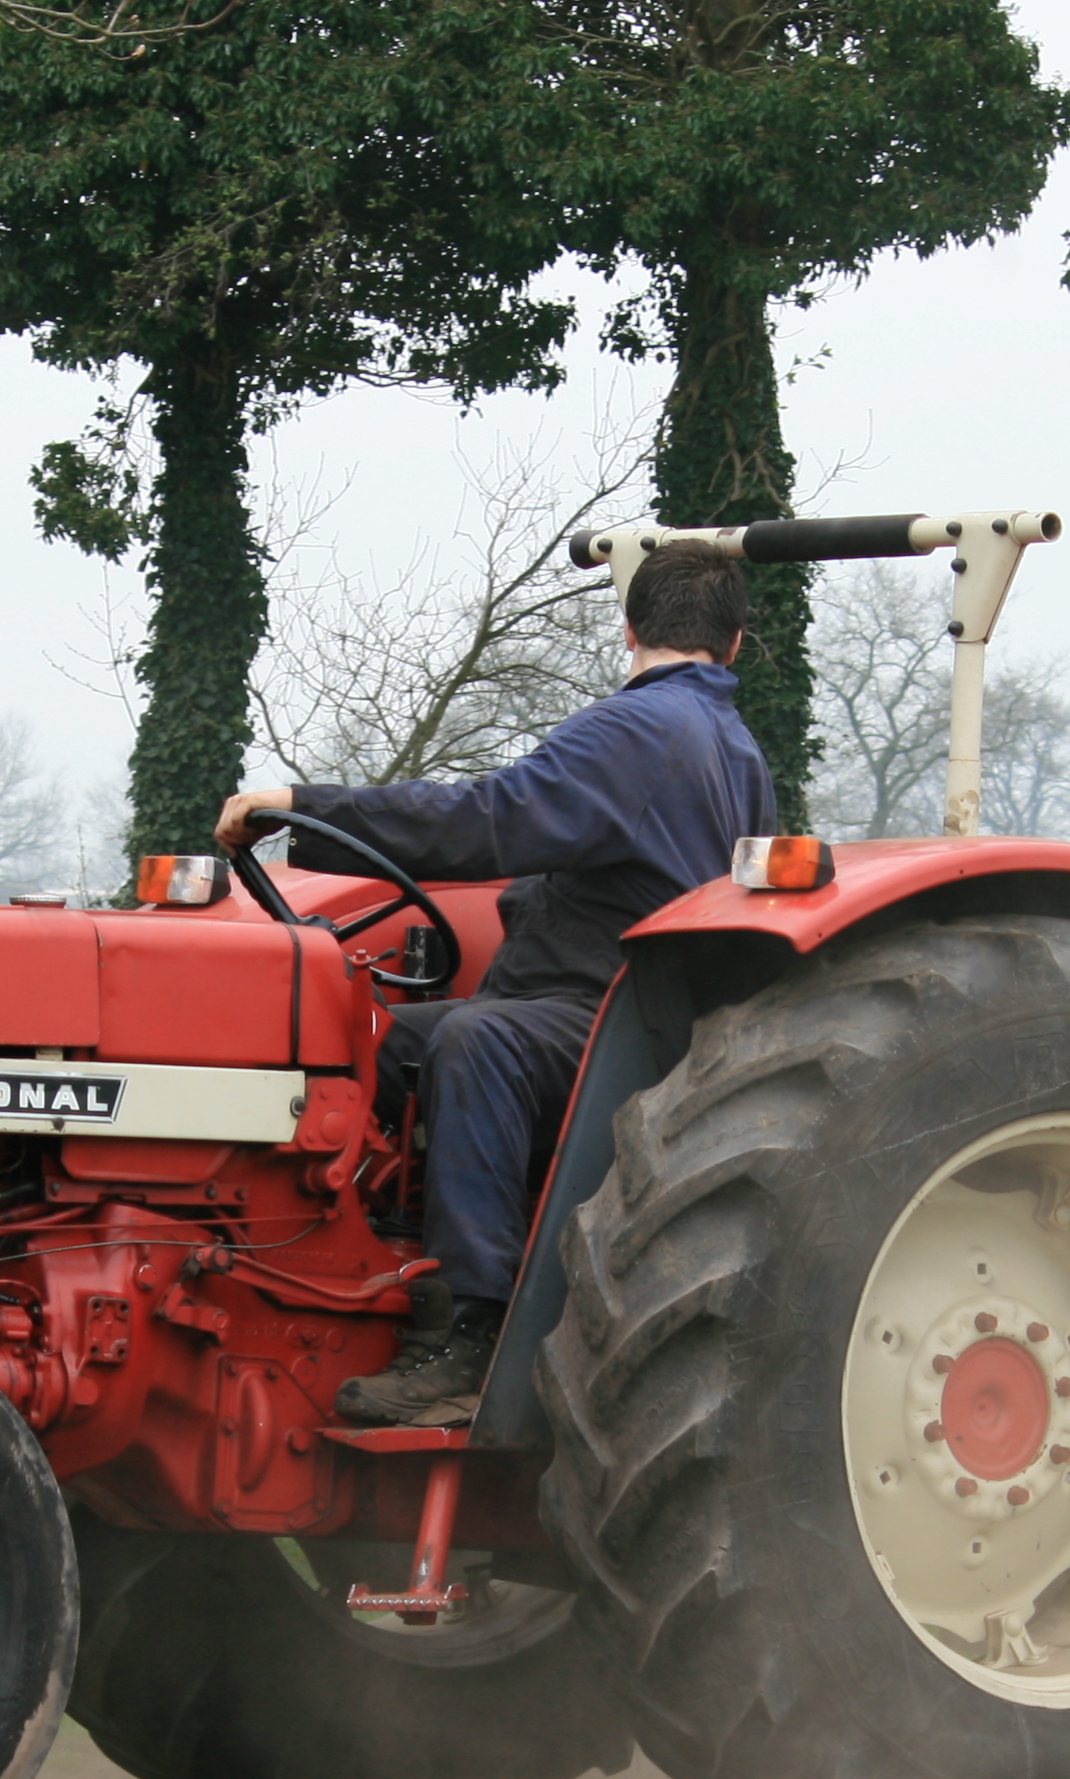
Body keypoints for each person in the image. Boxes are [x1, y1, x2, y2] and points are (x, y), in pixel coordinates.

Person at [217, 550, 776, 1427]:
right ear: (734, 643)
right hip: (618, 1005)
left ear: (627, 630)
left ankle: (469, 1333)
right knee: (361, 1037)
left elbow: (490, 819)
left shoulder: (641, 731)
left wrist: (306, 808)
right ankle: (326, 1264)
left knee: (479, 1040)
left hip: (605, 1018)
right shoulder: (733, 748)